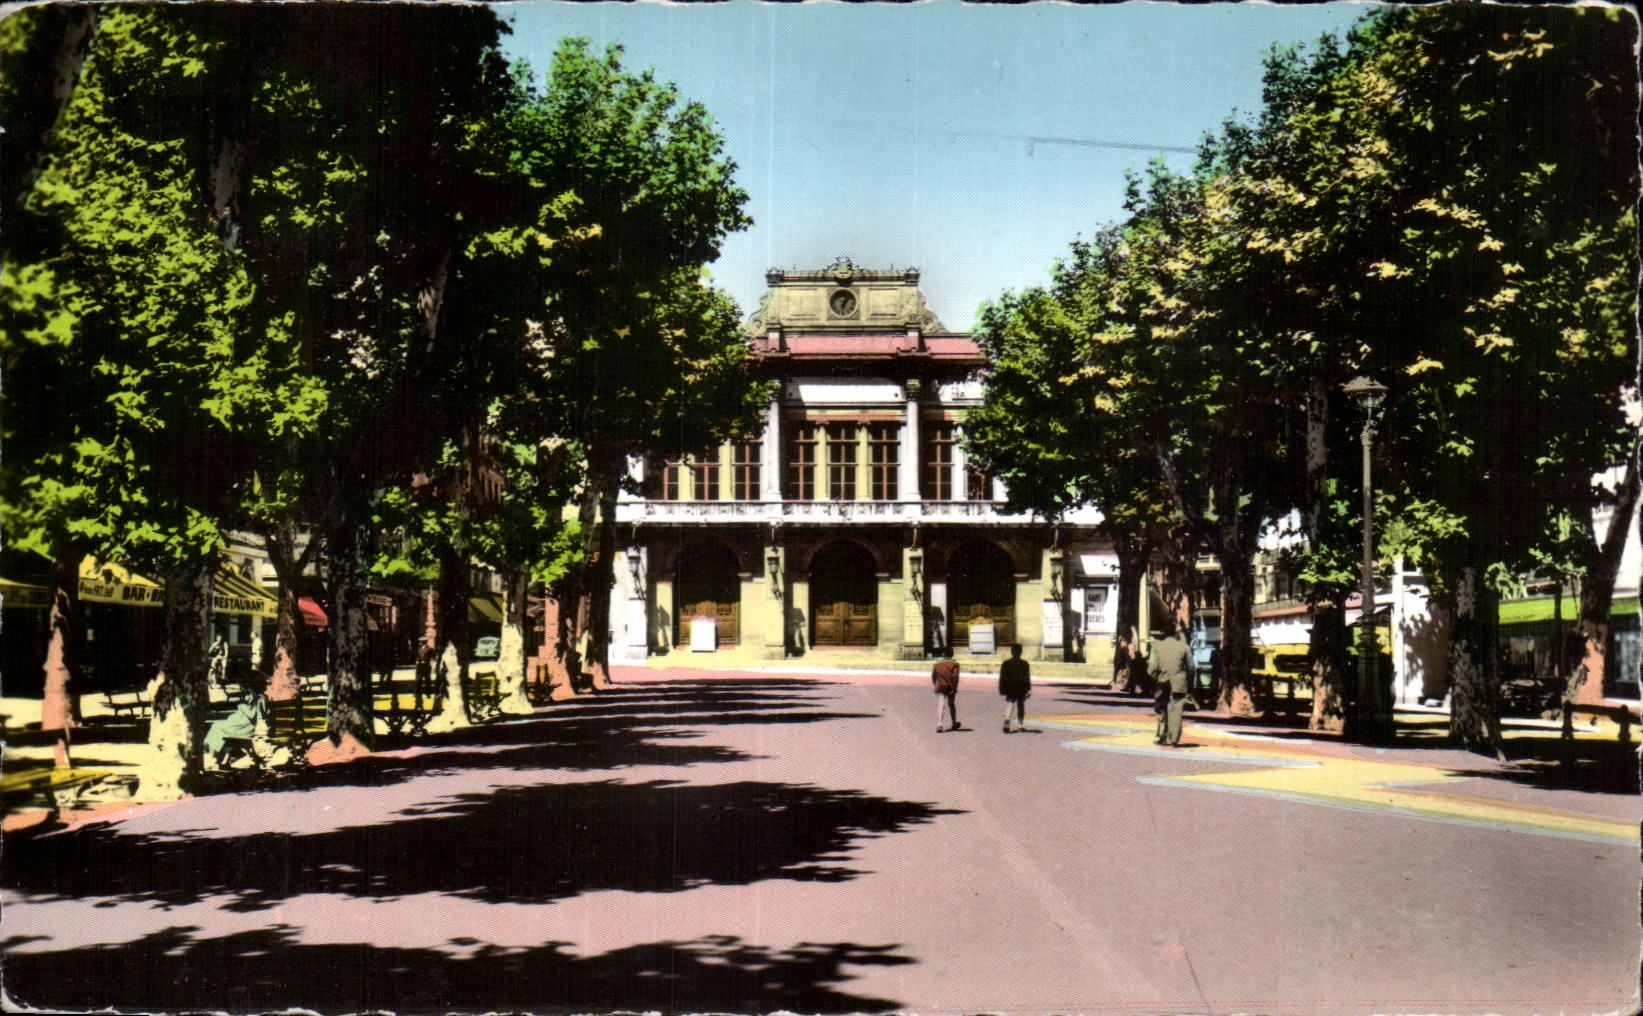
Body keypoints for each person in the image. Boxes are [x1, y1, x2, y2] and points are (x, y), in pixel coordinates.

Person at [1149, 625, 1190, 746]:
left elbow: (1151, 669)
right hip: (1179, 682)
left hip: (1163, 681)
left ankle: (1162, 735)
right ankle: (1174, 738)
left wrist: (1156, 678)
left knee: (1161, 707)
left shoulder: (1157, 646)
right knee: (1176, 707)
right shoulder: (1184, 647)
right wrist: (1189, 680)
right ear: (1176, 635)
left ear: (1164, 635)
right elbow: (1191, 667)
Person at [999, 643, 1031, 732]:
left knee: (1010, 704)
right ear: (1021, 652)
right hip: (1021, 687)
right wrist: (1028, 689)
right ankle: (1020, 725)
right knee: (1020, 705)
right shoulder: (1024, 664)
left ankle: (1007, 720)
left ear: (1011, 652)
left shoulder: (1006, 663)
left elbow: (1003, 677)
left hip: (1010, 687)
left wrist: (1002, 689)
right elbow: (1026, 677)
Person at [932, 655, 963, 732]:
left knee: (941, 704)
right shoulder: (954, 665)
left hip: (940, 685)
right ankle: (953, 723)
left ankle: (939, 724)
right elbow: (955, 677)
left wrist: (935, 683)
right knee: (951, 704)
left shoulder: (938, 664)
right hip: (950, 686)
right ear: (952, 654)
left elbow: (934, 676)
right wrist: (954, 688)